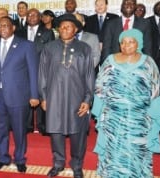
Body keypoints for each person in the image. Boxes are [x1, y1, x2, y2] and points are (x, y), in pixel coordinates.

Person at [91, 29, 160, 178]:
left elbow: (156, 88)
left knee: (137, 149)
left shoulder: (148, 62)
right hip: (114, 116)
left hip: (139, 118)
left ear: (139, 43)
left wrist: (155, 114)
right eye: (123, 42)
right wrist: (100, 111)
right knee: (113, 147)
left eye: (131, 42)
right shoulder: (109, 60)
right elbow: (100, 86)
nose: (126, 46)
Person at [39, 14, 94, 178]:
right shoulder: (49, 48)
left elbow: (90, 76)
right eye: (62, 26)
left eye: (68, 26)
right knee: (56, 133)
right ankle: (58, 163)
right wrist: (43, 97)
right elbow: (42, 74)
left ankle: (77, 165)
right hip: (54, 97)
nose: (64, 29)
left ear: (75, 29)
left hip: (76, 98)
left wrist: (87, 99)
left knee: (78, 134)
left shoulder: (84, 48)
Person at [0, 16, 39, 173]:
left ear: (13, 27)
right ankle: (2, 158)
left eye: (6, 25)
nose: (2, 29)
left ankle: (20, 159)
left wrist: (34, 95)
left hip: (18, 95)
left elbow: (33, 72)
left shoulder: (26, 45)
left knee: (19, 130)